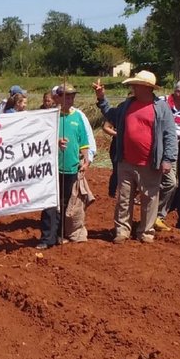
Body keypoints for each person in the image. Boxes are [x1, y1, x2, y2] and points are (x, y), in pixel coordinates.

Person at [93, 71, 177, 244]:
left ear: (146, 87)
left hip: (150, 163)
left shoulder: (161, 108)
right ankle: (122, 230)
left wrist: (168, 159)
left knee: (149, 199)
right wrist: (101, 98)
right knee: (124, 198)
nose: (132, 87)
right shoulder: (127, 105)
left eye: (136, 85)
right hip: (126, 161)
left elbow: (170, 135)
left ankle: (146, 232)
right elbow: (111, 114)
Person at [37, 83, 90, 249]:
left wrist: (86, 160)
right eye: (67, 96)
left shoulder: (78, 117)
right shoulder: (51, 116)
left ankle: (61, 235)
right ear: (58, 98)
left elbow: (84, 142)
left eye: (72, 96)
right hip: (53, 168)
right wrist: (56, 142)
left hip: (72, 167)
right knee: (51, 203)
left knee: (67, 203)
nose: (70, 99)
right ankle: (47, 238)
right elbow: (41, 141)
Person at [154, 80, 180, 232]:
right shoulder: (161, 102)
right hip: (156, 147)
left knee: (171, 183)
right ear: (178, 92)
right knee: (155, 181)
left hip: (172, 149)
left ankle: (157, 216)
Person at [52, 85, 97, 164]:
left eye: (72, 98)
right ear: (57, 98)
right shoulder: (51, 116)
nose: (70, 101)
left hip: (75, 164)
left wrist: (88, 158)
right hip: (53, 164)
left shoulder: (79, 115)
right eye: (67, 98)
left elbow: (86, 137)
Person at [102, 120, 118, 198]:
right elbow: (106, 127)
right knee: (117, 168)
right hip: (117, 146)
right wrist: (118, 134)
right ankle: (113, 192)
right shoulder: (118, 110)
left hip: (133, 146)